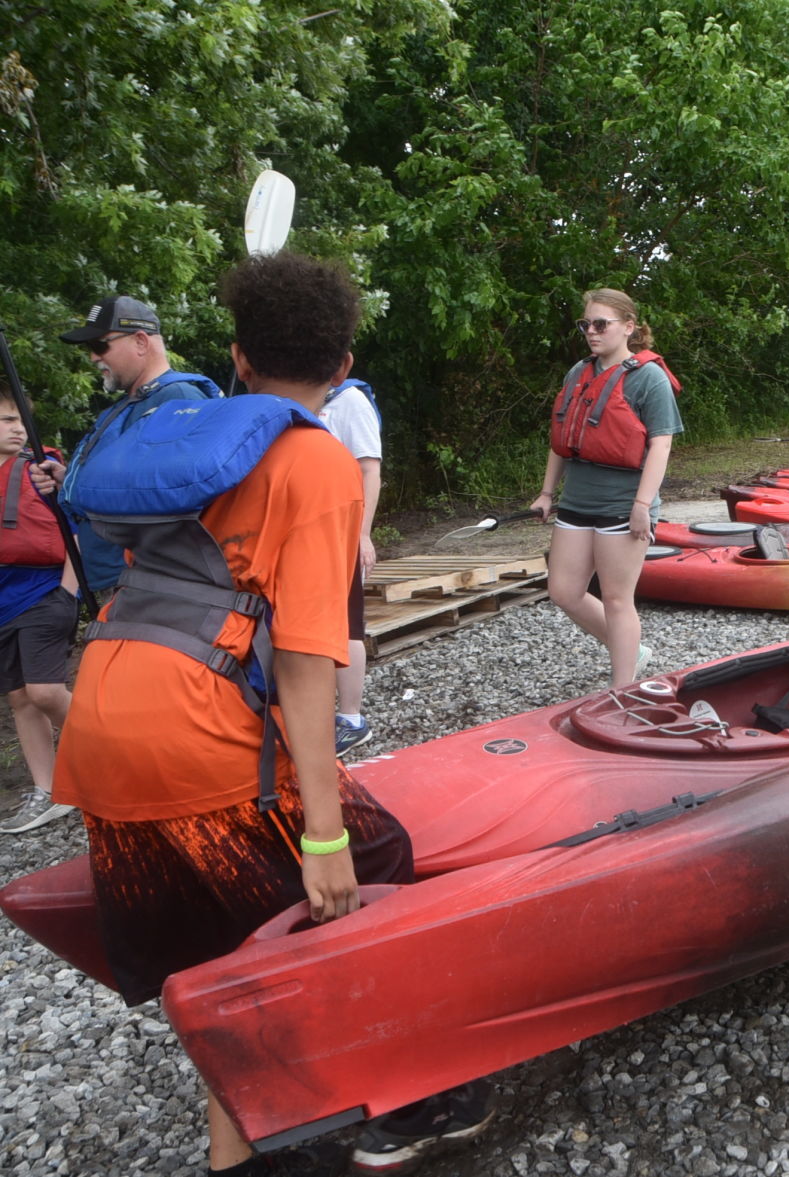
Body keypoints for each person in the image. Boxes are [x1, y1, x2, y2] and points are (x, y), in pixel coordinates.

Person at [49, 252, 492, 1176]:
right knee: (373, 867)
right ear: (345, 364)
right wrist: (323, 833)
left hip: (97, 727)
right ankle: (402, 1103)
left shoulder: (184, 437)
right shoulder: (316, 459)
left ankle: (238, 1155)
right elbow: (301, 661)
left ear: (239, 359)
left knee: (224, 960)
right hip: (193, 738)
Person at [531, 288, 683, 686]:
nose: (591, 332)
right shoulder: (578, 373)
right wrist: (548, 493)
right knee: (563, 591)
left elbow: (661, 444)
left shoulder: (648, 378)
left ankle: (622, 691)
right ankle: (632, 651)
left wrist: (642, 505)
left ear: (628, 327)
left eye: (601, 324)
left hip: (623, 504)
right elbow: (561, 438)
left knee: (617, 599)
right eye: (586, 324)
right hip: (578, 501)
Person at [35, 295, 221, 595]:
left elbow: (177, 498)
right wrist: (69, 478)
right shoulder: (136, 402)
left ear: (140, 342)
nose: (93, 357)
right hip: (120, 582)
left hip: (147, 586)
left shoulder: (180, 400)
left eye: (100, 345)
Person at [0, 396, 80, 834]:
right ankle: (48, 791)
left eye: (20, 419)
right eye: (7, 420)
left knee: (45, 690)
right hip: (3, 601)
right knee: (20, 698)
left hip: (44, 592)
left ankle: (112, 755)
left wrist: (67, 593)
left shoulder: (40, 471)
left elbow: (75, 527)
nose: (17, 428)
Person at [319, 377, 382, 755]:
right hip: (307, 533)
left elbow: (369, 471)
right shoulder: (296, 393)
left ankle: (352, 718)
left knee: (347, 624)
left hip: (342, 532)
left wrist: (362, 535)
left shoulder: (350, 401)